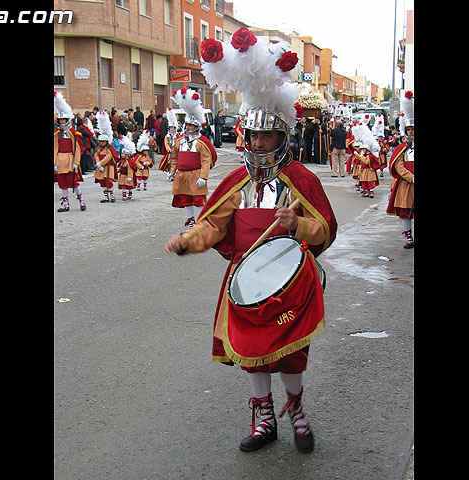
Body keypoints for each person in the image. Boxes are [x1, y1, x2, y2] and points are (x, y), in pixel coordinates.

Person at [168, 30, 338, 453]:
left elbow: (327, 230)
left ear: (282, 138)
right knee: (250, 352)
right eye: (253, 137)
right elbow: (214, 225)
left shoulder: (301, 181)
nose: (258, 144)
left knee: (291, 354)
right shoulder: (236, 181)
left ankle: (295, 407)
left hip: (292, 281)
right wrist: (188, 241)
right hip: (245, 280)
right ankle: (263, 415)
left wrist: (297, 227)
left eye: (267, 137)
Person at [168, 88, 216, 229]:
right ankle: (191, 222)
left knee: (198, 200)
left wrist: (203, 176)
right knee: (185, 199)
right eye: (187, 125)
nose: (188, 127)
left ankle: (201, 224)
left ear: (196, 127)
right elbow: (174, 158)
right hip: (182, 175)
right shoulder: (179, 141)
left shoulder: (201, 143)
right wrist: (172, 171)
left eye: (191, 125)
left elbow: (206, 160)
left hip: (196, 175)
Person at [386, 91, 415, 248]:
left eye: (413, 129)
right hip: (407, 184)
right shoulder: (402, 148)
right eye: (409, 129)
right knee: (406, 212)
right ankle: (409, 237)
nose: (411, 132)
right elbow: (399, 166)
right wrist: (411, 177)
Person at [54, 92, 86, 212]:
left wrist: (76, 162)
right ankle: (65, 204)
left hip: (70, 159)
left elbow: (77, 148)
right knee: (62, 183)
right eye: (60, 120)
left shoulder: (73, 132)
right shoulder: (57, 133)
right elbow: (54, 147)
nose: (62, 122)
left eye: (64, 120)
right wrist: (54, 162)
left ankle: (81, 199)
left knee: (74, 182)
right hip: (59, 159)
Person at [93, 110, 119, 203]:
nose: (102, 143)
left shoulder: (109, 149)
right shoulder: (99, 149)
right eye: (101, 142)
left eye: (103, 141)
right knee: (102, 181)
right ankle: (105, 196)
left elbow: (109, 157)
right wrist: (98, 163)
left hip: (108, 167)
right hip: (101, 167)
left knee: (109, 181)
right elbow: (96, 155)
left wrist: (101, 163)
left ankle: (111, 195)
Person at [117, 134, 137, 200]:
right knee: (123, 186)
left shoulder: (129, 162)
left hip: (127, 176)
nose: (122, 155)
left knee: (128, 186)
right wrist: (118, 170)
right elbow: (121, 166)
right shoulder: (122, 161)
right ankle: (124, 196)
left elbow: (130, 170)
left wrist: (130, 177)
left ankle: (130, 194)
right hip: (122, 176)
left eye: (123, 154)